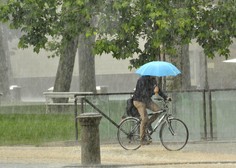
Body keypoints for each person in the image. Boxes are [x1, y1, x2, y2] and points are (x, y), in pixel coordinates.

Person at [133, 76, 170, 145]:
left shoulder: (153, 80)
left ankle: (148, 123)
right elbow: (143, 92)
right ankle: (142, 139)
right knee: (145, 118)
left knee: (158, 110)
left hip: (147, 100)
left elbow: (158, 90)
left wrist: (166, 97)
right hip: (139, 100)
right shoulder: (142, 79)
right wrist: (153, 91)